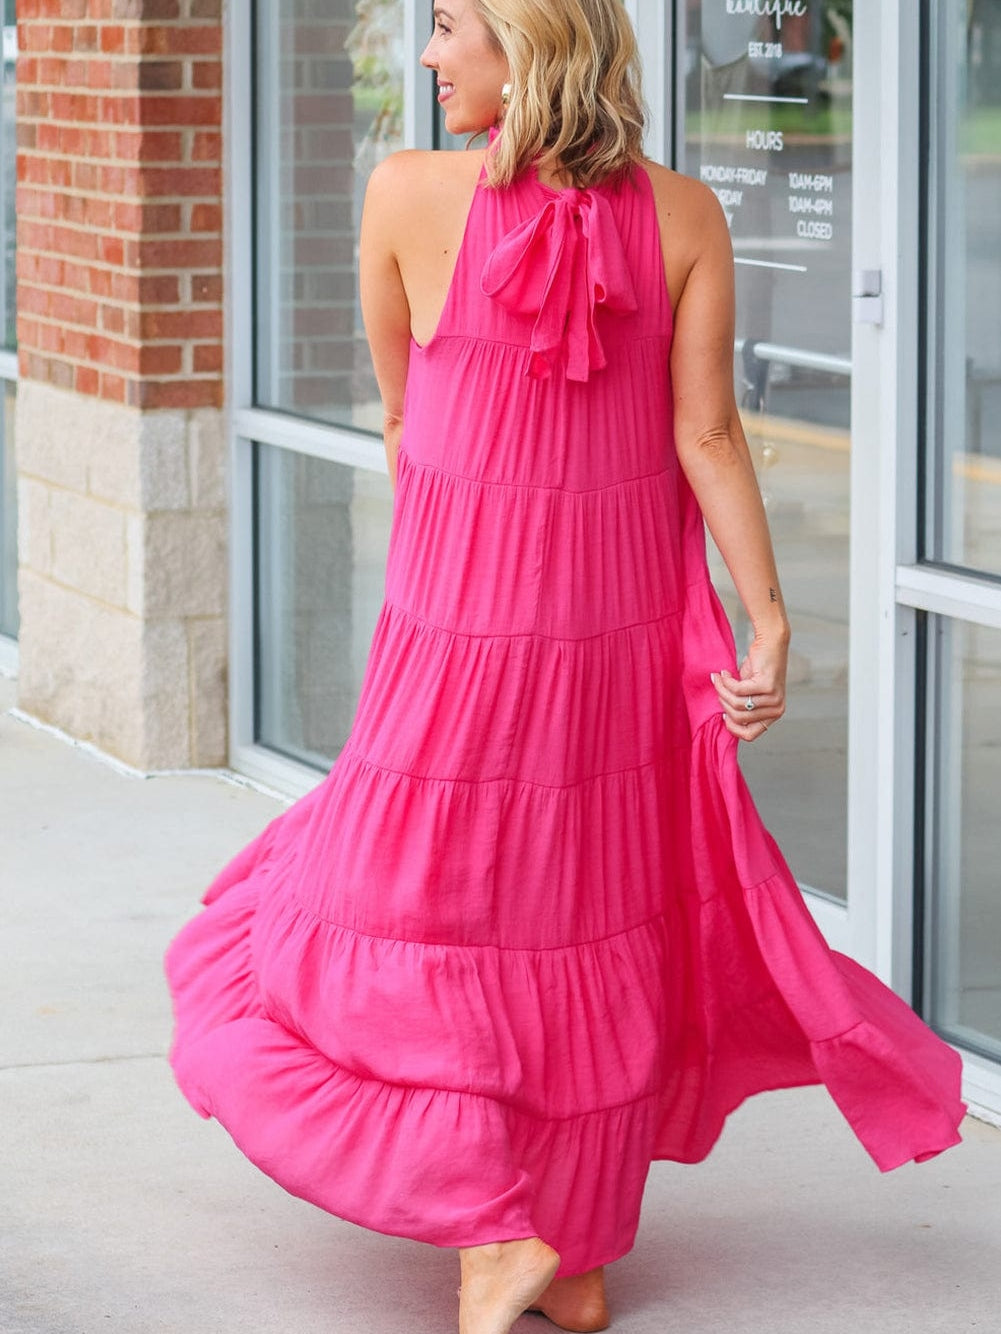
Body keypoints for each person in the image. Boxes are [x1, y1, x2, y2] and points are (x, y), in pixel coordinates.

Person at [165, 3, 965, 1333]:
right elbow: (706, 434)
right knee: (575, 906)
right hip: (615, 629)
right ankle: (570, 1244)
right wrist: (764, 618)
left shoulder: (406, 195)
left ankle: (494, 1220)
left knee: (420, 900)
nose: (426, 58)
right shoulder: (688, 214)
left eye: (446, 29)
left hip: (456, 625)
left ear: (526, 48)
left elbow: (407, 417)